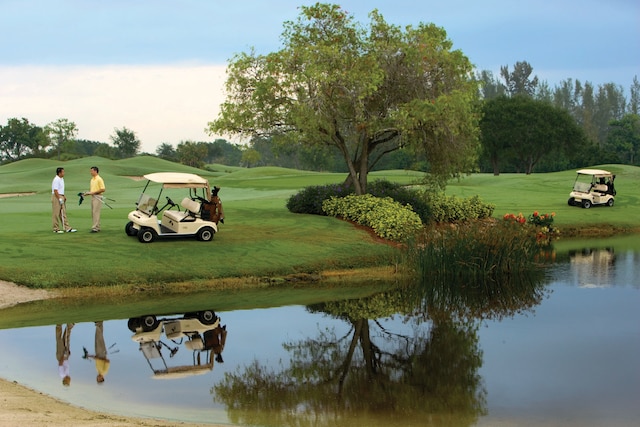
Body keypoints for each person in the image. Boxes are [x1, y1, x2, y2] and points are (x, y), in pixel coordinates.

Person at [51, 167, 77, 233]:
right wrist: (59, 198)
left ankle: (67, 228)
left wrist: (63, 196)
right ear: (59, 173)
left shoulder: (61, 179)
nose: (64, 173)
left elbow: (60, 189)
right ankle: (56, 229)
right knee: (56, 213)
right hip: (56, 196)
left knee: (63, 213)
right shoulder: (56, 179)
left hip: (60, 195)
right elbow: (55, 190)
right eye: (63, 172)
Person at [84, 166, 106, 233]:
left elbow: (103, 189)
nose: (91, 172)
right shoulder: (92, 179)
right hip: (93, 196)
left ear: (95, 171)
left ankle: (95, 228)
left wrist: (92, 192)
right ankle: (97, 226)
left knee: (95, 212)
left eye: (92, 171)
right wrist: (87, 193)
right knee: (93, 212)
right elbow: (92, 190)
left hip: (98, 196)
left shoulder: (99, 179)